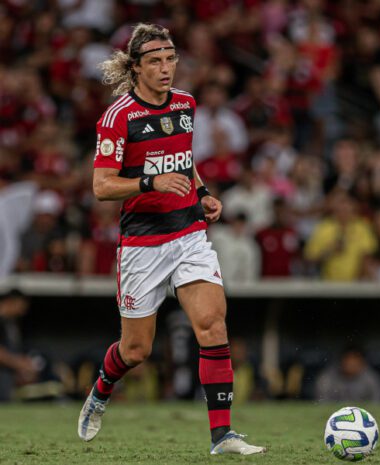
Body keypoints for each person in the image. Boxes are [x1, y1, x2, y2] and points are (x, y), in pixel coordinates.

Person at [79, 24, 265, 455]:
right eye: (156, 61)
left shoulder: (186, 104)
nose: (166, 69)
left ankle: (222, 435)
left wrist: (201, 194)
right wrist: (150, 181)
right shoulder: (118, 118)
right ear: (136, 67)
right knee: (136, 349)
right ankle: (102, 390)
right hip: (142, 245)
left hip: (188, 235)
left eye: (171, 59)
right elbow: (102, 187)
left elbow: (183, 158)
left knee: (212, 324)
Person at [0, 290, 39, 402]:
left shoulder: (10, 323)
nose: (22, 311)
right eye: (20, 306)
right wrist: (19, 364)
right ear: (10, 302)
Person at [315, 346, 380, 403]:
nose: (350, 365)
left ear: (362, 362)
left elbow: (377, 403)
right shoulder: (327, 378)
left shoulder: (371, 378)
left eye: (354, 362)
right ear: (341, 361)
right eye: (348, 361)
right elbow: (322, 403)